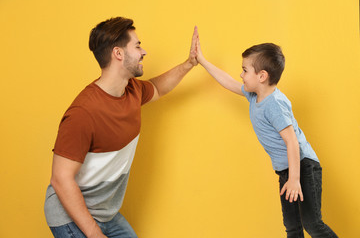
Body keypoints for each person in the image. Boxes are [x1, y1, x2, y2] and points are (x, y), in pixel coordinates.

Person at [44, 17, 198, 238]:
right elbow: (61, 179)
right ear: (118, 53)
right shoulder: (83, 112)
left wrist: (189, 63)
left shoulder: (132, 91)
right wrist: (95, 234)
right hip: (70, 215)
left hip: (105, 213)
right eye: (137, 45)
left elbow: (157, 88)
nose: (143, 51)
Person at [195, 34, 338, 237]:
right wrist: (202, 60)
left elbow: (292, 142)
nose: (241, 74)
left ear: (262, 76)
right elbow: (228, 82)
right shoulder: (254, 95)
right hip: (286, 171)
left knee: (312, 224)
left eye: (245, 70)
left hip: (303, 167)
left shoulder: (274, 104)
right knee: (292, 226)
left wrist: (295, 179)